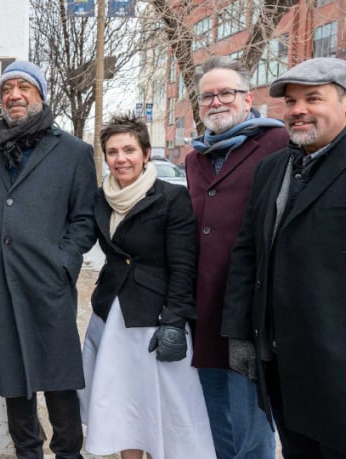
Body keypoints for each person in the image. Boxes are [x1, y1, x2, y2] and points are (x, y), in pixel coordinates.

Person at [0, 60, 96, 459]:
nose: (14, 95)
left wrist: (63, 261)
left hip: (47, 281)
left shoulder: (73, 152)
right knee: (12, 377)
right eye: (6, 89)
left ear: (40, 94)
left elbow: (85, 219)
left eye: (24, 87)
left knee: (59, 375)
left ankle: (69, 453)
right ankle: (27, 452)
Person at [223, 57, 346, 458]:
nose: (298, 110)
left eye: (313, 98)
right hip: (279, 361)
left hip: (335, 364)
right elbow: (247, 253)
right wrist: (241, 333)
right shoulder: (273, 168)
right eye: (291, 102)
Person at [79, 113, 214, 459]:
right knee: (123, 406)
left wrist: (174, 320)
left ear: (145, 152)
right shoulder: (100, 198)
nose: (120, 158)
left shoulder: (171, 197)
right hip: (112, 317)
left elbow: (183, 265)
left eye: (128, 150)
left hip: (154, 319)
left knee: (159, 407)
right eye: (112, 151)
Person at [186, 56, 287, 459]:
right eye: (208, 96)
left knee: (251, 423)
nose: (216, 102)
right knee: (215, 419)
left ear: (247, 98)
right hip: (204, 308)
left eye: (226, 92)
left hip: (250, 308)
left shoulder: (278, 144)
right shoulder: (195, 159)